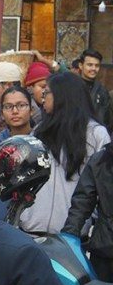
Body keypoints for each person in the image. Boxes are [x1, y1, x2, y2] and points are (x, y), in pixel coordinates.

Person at [19, 71, 110, 235]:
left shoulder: (96, 134)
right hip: (31, 229)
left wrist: (90, 223)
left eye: (47, 93)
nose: (43, 98)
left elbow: (103, 186)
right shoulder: (40, 131)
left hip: (72, 234)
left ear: (63, 95)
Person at [63, 142, 113, 281]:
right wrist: (69, 236)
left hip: (104, 247)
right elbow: (82, 203)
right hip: (104, 250)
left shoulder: (100, 160)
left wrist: (68, 235)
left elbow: (82, 203)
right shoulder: (100, 160)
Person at [0, 87, 34, 220]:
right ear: (2, 113)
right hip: (2, 220)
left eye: (21, 105)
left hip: (35, 221)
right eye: (8, 107)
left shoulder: (41, 143)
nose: (15, 111)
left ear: (31, 110)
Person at [78, 48, 113, 132]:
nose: (94, 68)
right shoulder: (71, 87)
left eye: (97, 65)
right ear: (81, 65)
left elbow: (107, 120)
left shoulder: (102, 91)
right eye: (90, 65)